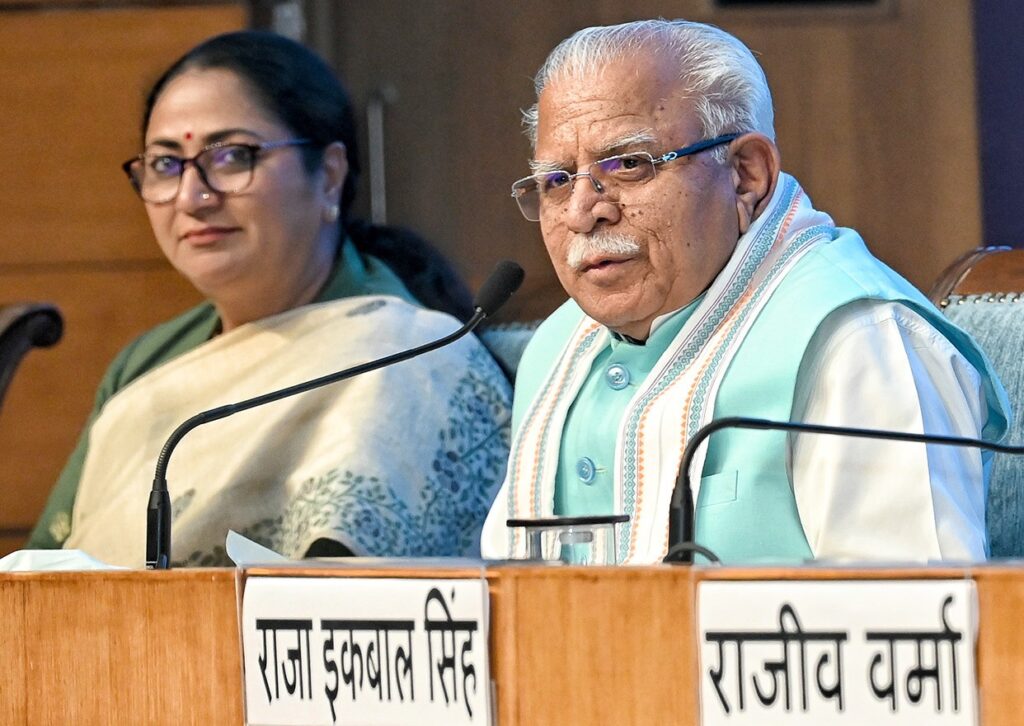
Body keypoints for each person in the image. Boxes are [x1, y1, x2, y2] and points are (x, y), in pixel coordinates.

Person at [481, 19, 1009, 565]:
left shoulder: (857, 341)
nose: (583, 211)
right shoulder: (557, 347)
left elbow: (911, 627)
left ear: (745, 175)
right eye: (556, 180)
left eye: (628, 164)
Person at [27, 31, 512, 567]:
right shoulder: (145, 365)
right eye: (166, 164)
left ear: (328, 175)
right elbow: (43, 575)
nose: (193, 197)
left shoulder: (407, 356)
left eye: (233, 156)